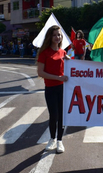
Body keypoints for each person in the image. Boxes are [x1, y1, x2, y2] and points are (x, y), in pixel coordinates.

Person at [37, 25, 70, 153]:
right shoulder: (44, 52)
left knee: (62, 115)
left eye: (59, 35)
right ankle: (52, 139)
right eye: (55, 35)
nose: (58, 37)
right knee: (54, 115)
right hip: (50, 88)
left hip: (63, 88)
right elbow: (41, 72)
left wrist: (70, 61)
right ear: (50, 37)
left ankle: (60, 141)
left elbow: (71, 68)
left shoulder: (63, 52)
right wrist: (58, 78)